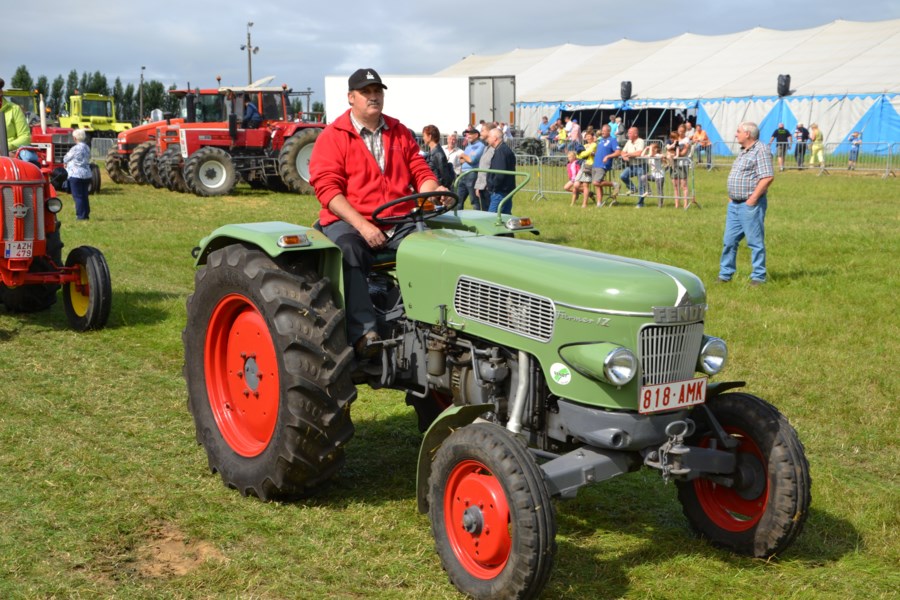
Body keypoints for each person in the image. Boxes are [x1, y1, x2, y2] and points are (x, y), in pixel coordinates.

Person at [309, 68, 444, 357]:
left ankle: (433, 323)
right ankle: (364, 332)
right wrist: (363, 226)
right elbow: (328, 190)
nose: (373, 97)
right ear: (351, 98)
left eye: (377, 92)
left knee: (434, 247)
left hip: (396, 219)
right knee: (349, 249)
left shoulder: (398, 131)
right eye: (366, 92)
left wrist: (432, 189)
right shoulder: (333, 136)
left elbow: (421, 171)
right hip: (350, 220)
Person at [718, 122, 774, 287]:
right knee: (729, 241)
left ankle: (758, 276)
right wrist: (731, 197)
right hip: (734, 204)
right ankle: (725, 274)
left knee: (754, 242)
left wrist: (752, 199)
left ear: (748, 134)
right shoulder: (744, 151)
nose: (736, 134)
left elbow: (767, 177)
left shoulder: (761, 150)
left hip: (750, 205)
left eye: (738, 132)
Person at [63, 128, 92, 221]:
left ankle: (80, 216)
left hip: (76, 174)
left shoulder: (75, 148)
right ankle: (86, 214)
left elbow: (66, 158)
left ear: (75, 138)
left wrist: (66, 162)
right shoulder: (87, 147)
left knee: (78, 196)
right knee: (84, 195)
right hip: (86, 173)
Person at [0, 77, 33, 158]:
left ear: (1, 92)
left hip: (8, 153)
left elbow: (25, 137)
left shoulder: (14, 109)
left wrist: (7, 146)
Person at [486, 127, 516, 213]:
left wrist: (493, 186)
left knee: (492, 219)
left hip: (500, 192)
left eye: (489, 137)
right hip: (505, 190)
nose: (487, 139)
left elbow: (500, 173)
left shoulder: (501, 151)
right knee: (504, 217)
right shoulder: (503, 149)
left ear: (495, 138)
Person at [592, 124, 620, 207]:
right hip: (595, 164)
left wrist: (608, 156)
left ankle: (614, 184)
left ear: (609, 131)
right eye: (602, 131)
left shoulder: (612, 140)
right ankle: (599, 203)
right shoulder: (600, 140)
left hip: (603, 165)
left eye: (605, 131)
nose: (603, 132)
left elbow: (618, 152)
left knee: (596, 182)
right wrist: (595, 154)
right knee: (598, 185)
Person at [618, 126, 647, 207]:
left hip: (641, 166)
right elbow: (622, 151)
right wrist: (624, 156)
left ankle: (640, 203)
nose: (628, 134)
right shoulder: (628, 142)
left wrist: (628, 154)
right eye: (628, 133)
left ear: (635, 134)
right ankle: (633, 188)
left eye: (630, 133)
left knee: (641, 184)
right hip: (631, 166)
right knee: (623, 176)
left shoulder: (640, 141)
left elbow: (639, 153)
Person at [457, 126, 484, 209]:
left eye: (470, 134)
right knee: (458, 199)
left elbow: (472, 160)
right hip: (463, 174)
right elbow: (461, 161)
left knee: (474, 200)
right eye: (467, 134)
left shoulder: (480, 146)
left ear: (476, 135)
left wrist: (463, 155)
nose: (467, 136)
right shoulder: (468, 147)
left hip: (472, 174)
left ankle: (478, 218)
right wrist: (466, 157)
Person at [422, 124, 454, 188]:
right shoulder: (432, 152)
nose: (423, 138)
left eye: (424, 136)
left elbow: (446, 179)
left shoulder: (438, 154)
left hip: (437, 191)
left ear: (429, 136)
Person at [474, 123, 495, 209]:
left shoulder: (495, 149)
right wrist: (479, 186)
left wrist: (488, 185)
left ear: (490, 132)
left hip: (489, 188)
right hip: (483, 187)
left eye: (483, 130)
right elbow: (482, 168)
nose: (480, 132)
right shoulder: (486, 148)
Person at [574, 130, 597, 207]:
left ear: (593, 137)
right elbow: (578, 156)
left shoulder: (594, 144)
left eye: (589, 136)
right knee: (576, 184)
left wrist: (583, 154)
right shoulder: (585, 145)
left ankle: (584, 204)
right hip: (583, 165)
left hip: (590, 165)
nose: (588, 138)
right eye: (586, 137)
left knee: (585, 185)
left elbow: (585, 153)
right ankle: (590, 194)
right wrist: (583, 154)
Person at [641, 142, 666, 207]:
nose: (650, 149)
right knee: (643, 177)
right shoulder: (651, 154)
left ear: (655, 149)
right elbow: (642, 156)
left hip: (660, 176)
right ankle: (649, 191)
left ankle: (660, 205)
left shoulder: (657, 155)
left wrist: (650, 149)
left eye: (652, 148)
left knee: (659, 190)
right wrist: (646, 148)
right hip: (653, 175)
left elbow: (651, 155)